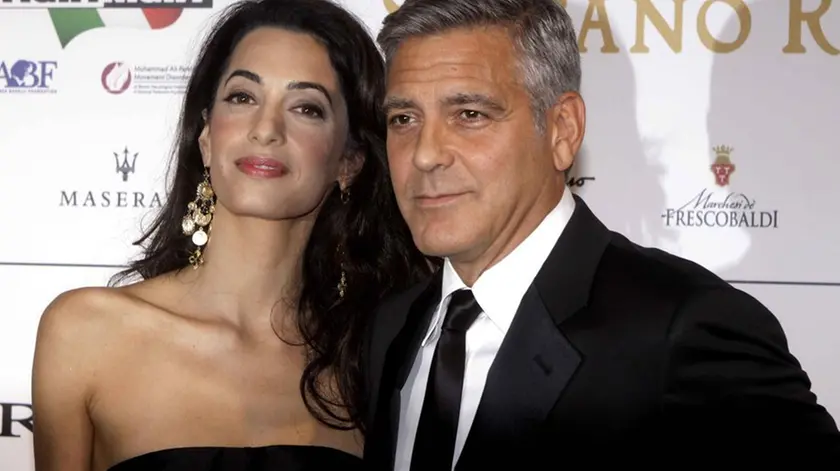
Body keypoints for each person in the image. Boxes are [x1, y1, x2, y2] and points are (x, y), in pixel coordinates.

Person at [362, 0, 840, 468]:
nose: (424, 155)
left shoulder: (684, 329)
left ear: (562, 131)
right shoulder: (391, 326)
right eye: (403, 119)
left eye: (470, 114)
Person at [30, 0, 433, 470]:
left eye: (306, 107)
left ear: (349, 161)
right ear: (206, 136)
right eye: (242, 97)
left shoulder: (379, 355)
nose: (266, 129)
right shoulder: (87, 331)